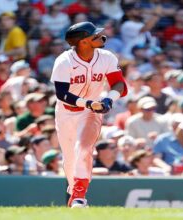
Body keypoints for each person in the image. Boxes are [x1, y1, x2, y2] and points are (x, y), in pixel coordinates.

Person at [50, 21, 127, 208]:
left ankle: (78, 196)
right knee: (70, 159)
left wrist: (108, 99)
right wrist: (88, 102)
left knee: (84, 149)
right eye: (95, 35)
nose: (101, 37)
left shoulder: (107, 57)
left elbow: (120, 85)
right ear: (83, 42)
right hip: (66, 112)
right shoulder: (64, 61)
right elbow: (62, 94)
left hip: (90, 112)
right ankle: (75, 191)